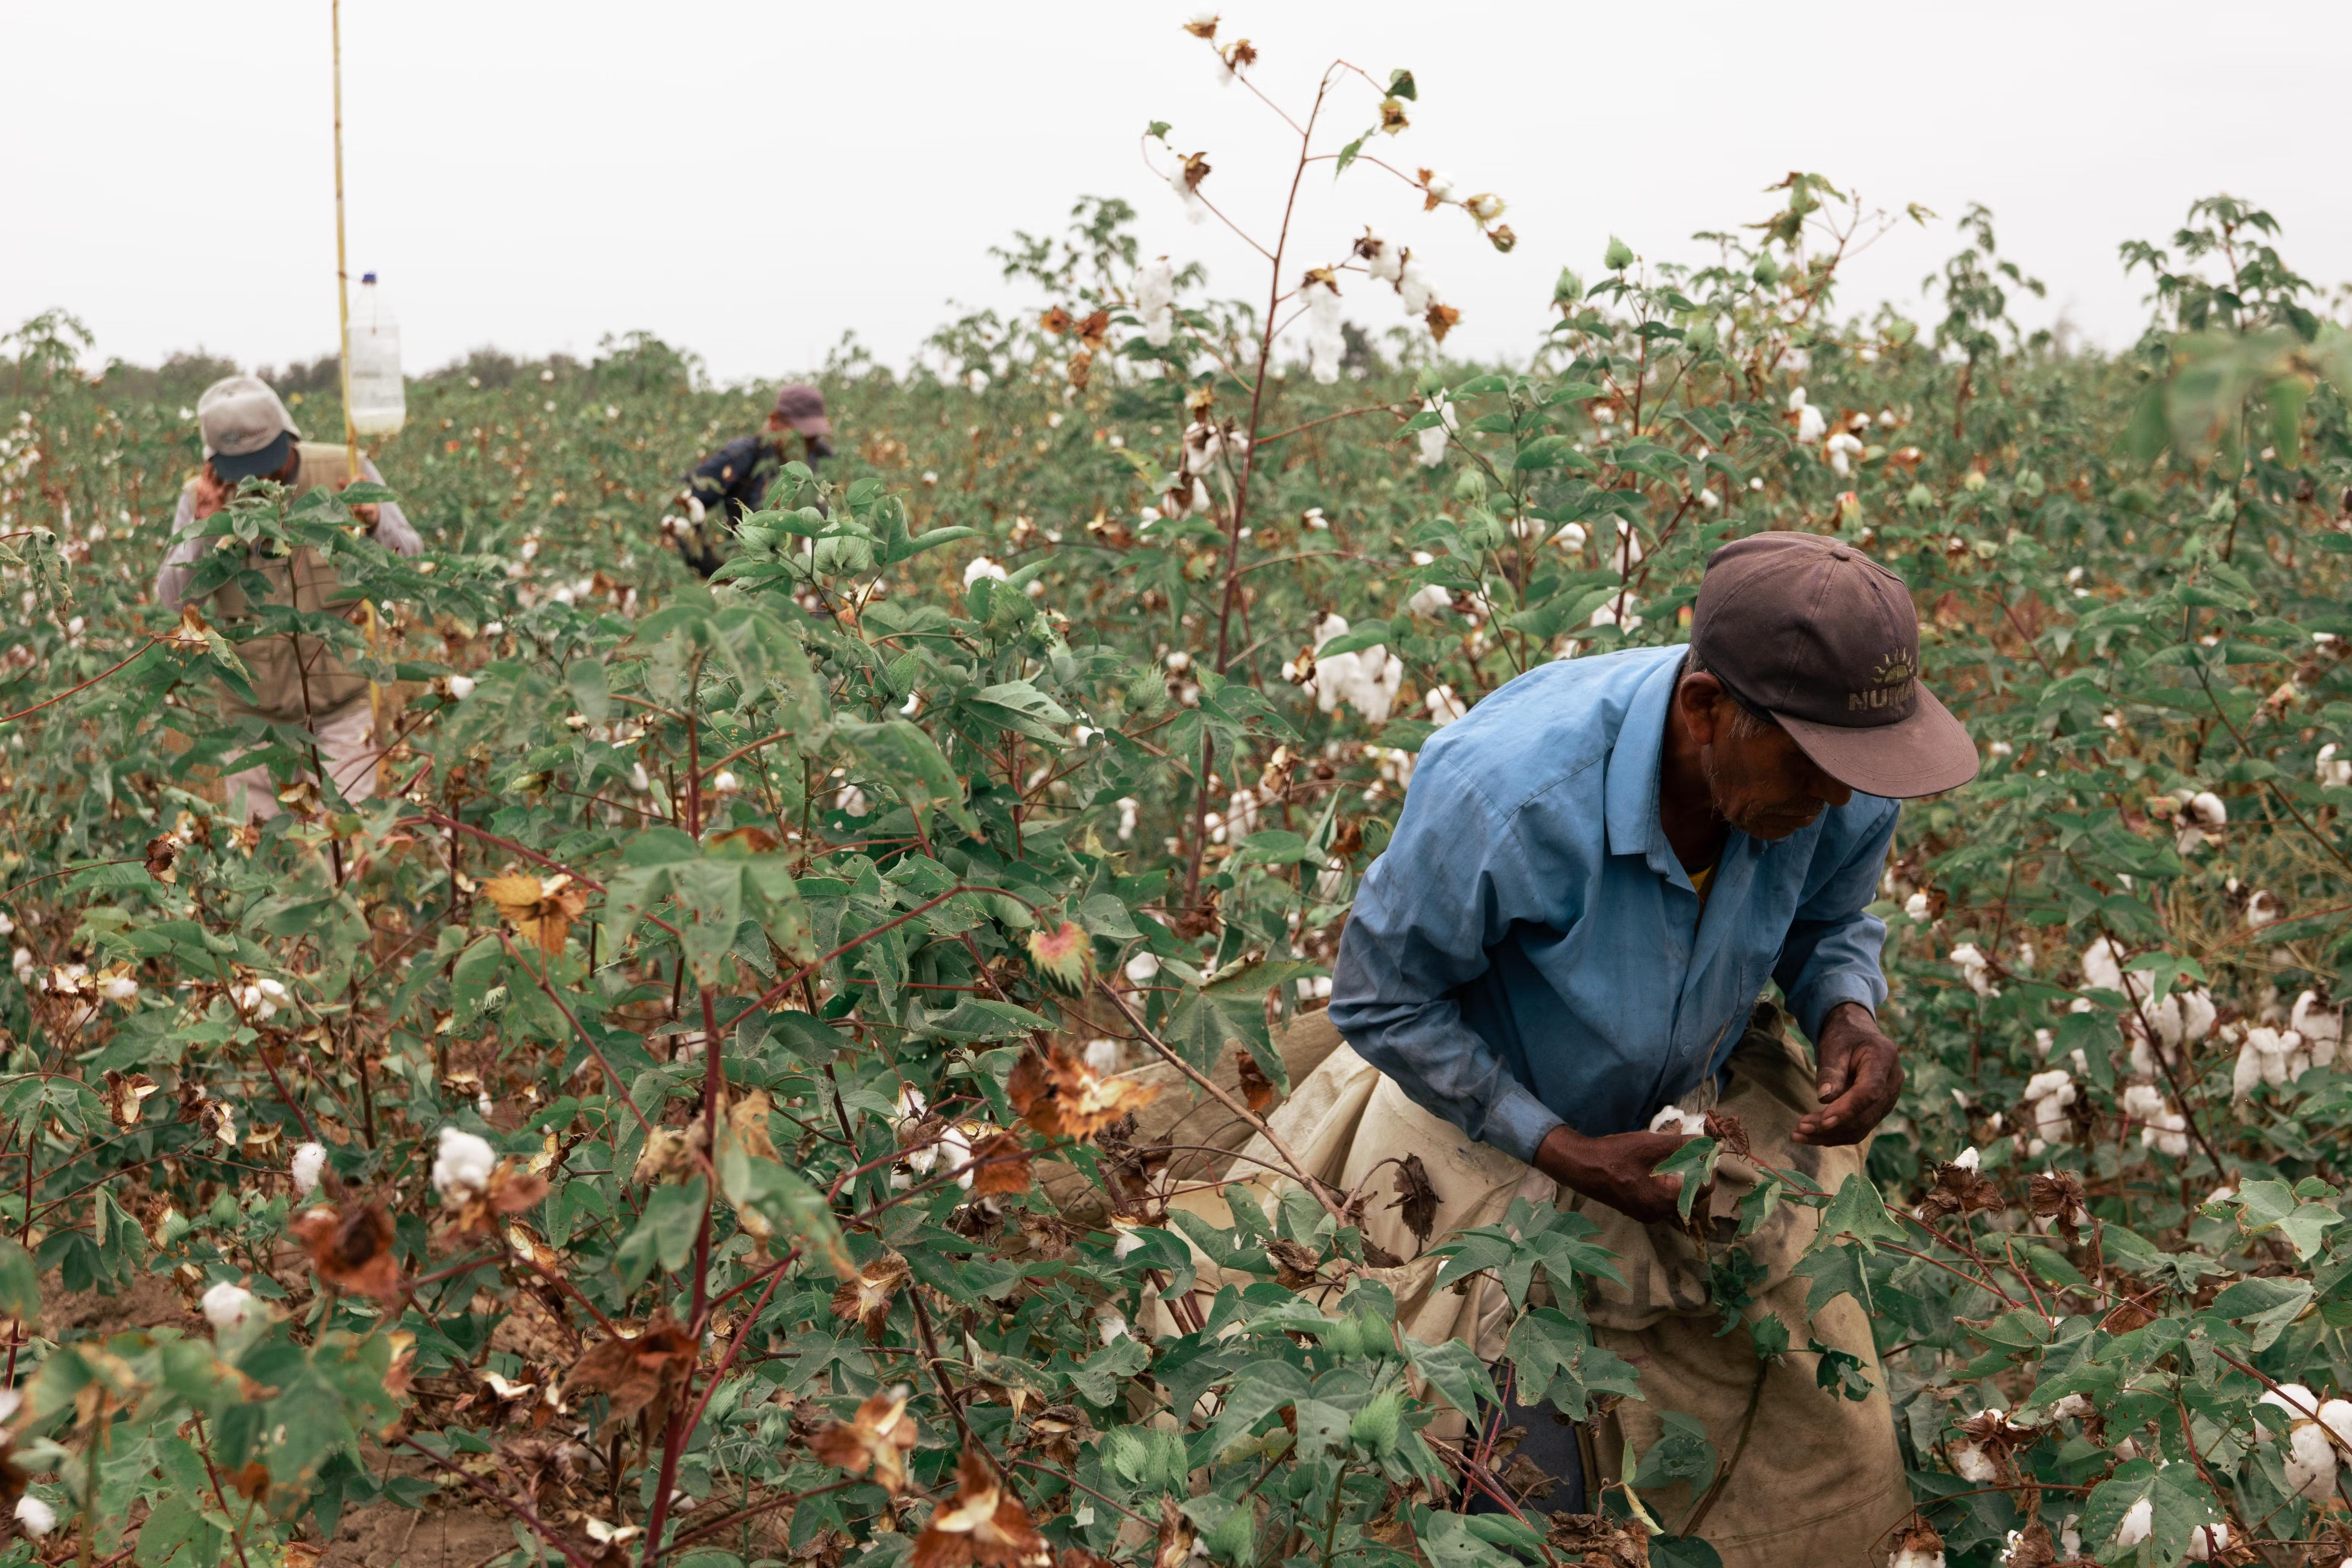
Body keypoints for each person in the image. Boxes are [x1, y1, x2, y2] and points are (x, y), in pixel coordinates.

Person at [1318, 534, 1979, 1567]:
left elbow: (1831, 919)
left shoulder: (1841, 767)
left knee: (1819, 1464)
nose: (1842, 799)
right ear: (1705, 706)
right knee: (1509, 1492)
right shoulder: (1507, 792)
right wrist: (1560, 1146)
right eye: (1813, 768)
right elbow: (1382, 998)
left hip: (1691, 1123)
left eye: (1859, 772)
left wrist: (1846, 1012)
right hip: (1476, 1140)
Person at [155, 374, 421, 821]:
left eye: (267, 461)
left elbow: (409, 562)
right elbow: (174, 601)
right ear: (215, 464)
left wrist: (375, 525)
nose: (260, 477)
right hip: (254, 718)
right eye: (245, 470)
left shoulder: (344, 469)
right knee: (263, 854)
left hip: (340, 710)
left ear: (289, 436)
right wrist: (206, 528)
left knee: (349, 843)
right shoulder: (202, 498)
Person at [666, 383, 833, 577]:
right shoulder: (743, 456)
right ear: (774, 422)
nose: (809, 442)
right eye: (802, 435)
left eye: (814, 435)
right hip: (749, 575)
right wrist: (710, 564)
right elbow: (682, 499)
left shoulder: (820, 456)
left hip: (807, 575)